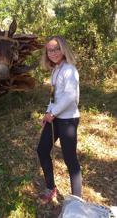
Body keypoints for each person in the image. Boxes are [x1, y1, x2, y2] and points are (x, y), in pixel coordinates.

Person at [37, 36, 82, 204]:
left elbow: (70, 97)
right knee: (42, 150)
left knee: (70, 159)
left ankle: (77, 201)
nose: (53, 53)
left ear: (63, 49)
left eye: (56, 49)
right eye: (50, 50)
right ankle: (51, 188)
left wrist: (53, 113)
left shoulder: (70, 70)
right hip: (55, 118)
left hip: (68, 120)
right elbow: (54, 96)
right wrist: (48, 113)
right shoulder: (56, 70)